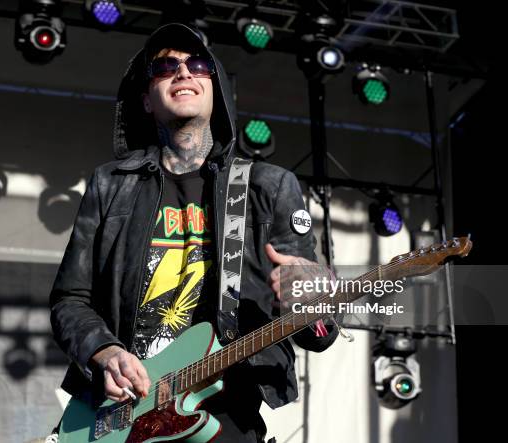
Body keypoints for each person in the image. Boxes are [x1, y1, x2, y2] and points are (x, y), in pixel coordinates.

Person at [50, 23, 340, 442]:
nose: (183, 72)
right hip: (123, 411)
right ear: (147, 99)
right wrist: (104, 350)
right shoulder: (111, 185)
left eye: (197, 64)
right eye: (166, 66)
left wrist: (314, 305)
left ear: (215, 88)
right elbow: (70, 299)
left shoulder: (268, 187)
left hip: (224, 414)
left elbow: (320, 333)